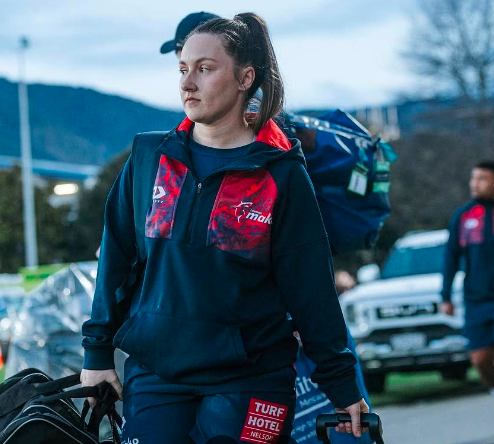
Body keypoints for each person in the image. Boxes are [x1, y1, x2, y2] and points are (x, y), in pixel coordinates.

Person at [81, 13, 368, 443]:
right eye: (183, 68)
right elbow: (115, 259)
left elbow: (310, 288)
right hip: (157, 373)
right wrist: (97, 353)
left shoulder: (281, 174)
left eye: (204, 69)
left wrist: (341, 383)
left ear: (244, 78)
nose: (187, 83)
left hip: (252, 377)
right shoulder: (148, 157)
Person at [441, 160, 494, 395]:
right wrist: (445, 296)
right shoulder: (463, 216)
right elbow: (450, 258)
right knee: (480, 359)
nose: (475, 183)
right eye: (473, 178)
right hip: (477, 300)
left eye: (482, 178)